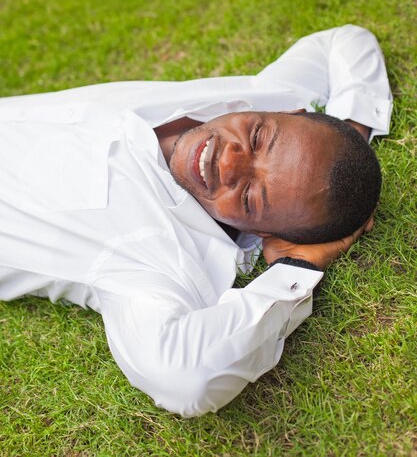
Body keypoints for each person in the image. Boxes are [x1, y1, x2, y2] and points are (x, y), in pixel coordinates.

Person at [0, 24, 392, 417]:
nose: (227, 160)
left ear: (263, 233)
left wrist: (297, 266)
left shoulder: (159, 261)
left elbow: (186, 379)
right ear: (290, 113)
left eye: (251, 197)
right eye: (256, 138)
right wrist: (350, 133)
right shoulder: (269, 97)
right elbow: (344, 42)